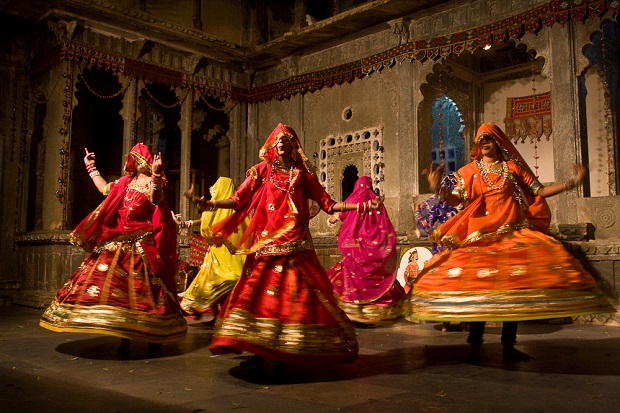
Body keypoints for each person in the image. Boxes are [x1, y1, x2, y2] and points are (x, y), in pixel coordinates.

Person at [402, 123, 614, 363]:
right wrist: (436, 187)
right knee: (479, 286)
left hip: (512, 233)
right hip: (480, 237)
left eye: (488, 139)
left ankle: (508, 344)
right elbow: (453, 200)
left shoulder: (511, 168)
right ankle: (475, 338)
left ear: (498, 142)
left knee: (512, 284)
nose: (483, 143)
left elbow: (539, 191)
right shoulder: (469, 171)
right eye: (480, 140)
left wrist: (573, 182)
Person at [187, 123, 382, 369]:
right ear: (272, 145)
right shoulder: (261, 171)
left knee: (295, 301)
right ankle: (260, 349)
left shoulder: (302, 175)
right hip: (267, 247)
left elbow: (329, 205)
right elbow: (239, 200)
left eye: (286, 139)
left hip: (296, 246)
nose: (281, 141)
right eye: (278, 139)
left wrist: (362, 206)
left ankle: (289, 351)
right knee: (261, 300)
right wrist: (210, 203)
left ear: (293, 146)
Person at [40, 144, 187, 355]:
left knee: (146, 291)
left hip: (141, 245)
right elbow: (104, 189)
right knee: (114, 288)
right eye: (134, 159)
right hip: (117, 242)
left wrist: (155, 175)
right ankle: (123, 336)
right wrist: (91, 168)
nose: (136, 163)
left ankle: (155, 335)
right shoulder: (125, 182)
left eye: (139, 159)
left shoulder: (156, 181)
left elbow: (156, 200)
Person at [326, 176, 404, 325]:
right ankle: (374, 314)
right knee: (376, 280)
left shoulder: (353, 200)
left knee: (350, 279)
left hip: (353, 248)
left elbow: (333, 220)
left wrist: (334, 220)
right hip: (372, 250)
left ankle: (354, 312)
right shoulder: (377, 201)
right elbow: (385, 226)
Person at [179, 177, 249, 322]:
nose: (214, 192)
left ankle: (212, 313)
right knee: (213, 282)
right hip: (215, 255)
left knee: (225, 282)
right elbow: (206, 219)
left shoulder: (236, 209)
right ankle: (214, 316)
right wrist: (189, 221)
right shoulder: (215, 208)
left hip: (229, 255)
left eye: (216, 189)